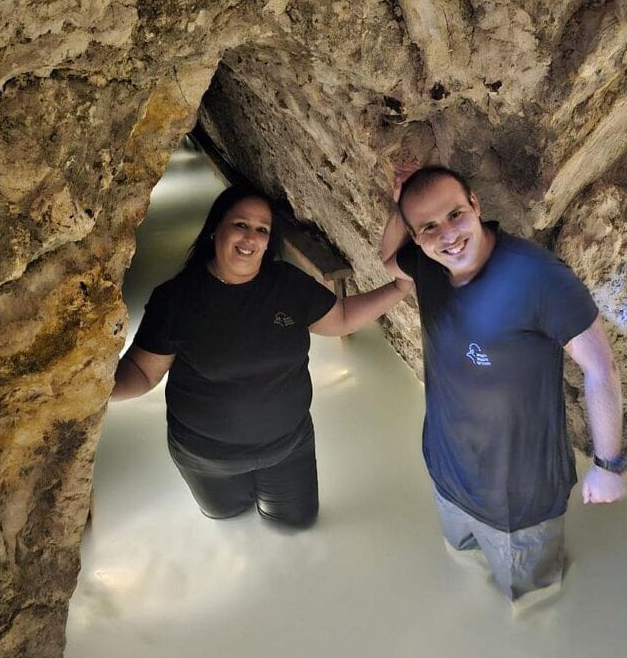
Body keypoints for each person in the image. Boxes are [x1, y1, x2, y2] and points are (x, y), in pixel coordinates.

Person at [381, 165, 627, 601]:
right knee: (466, 569)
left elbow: (601, 369)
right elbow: (387, 262)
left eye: (455, 215)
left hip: (520, 501)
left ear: (476, 205)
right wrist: (398, 207)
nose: (449, 235)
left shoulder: (539, 278)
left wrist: (608, 466)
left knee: (533, 603)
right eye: (430, 226)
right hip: (447, 477)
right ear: (415, 235)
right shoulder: (425, 263)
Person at [113, 184, 411, 529]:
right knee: (226, 516)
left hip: (287, 446)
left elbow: (341, 317)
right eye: (240, 224)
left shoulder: (287, 284)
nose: (250, 237)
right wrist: (88, 393)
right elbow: (142, 372)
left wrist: (399, 287)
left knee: (296, 524)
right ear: (216, 229)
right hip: (207, 457)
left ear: (269, 242)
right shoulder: (176, 299)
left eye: (262, 229)